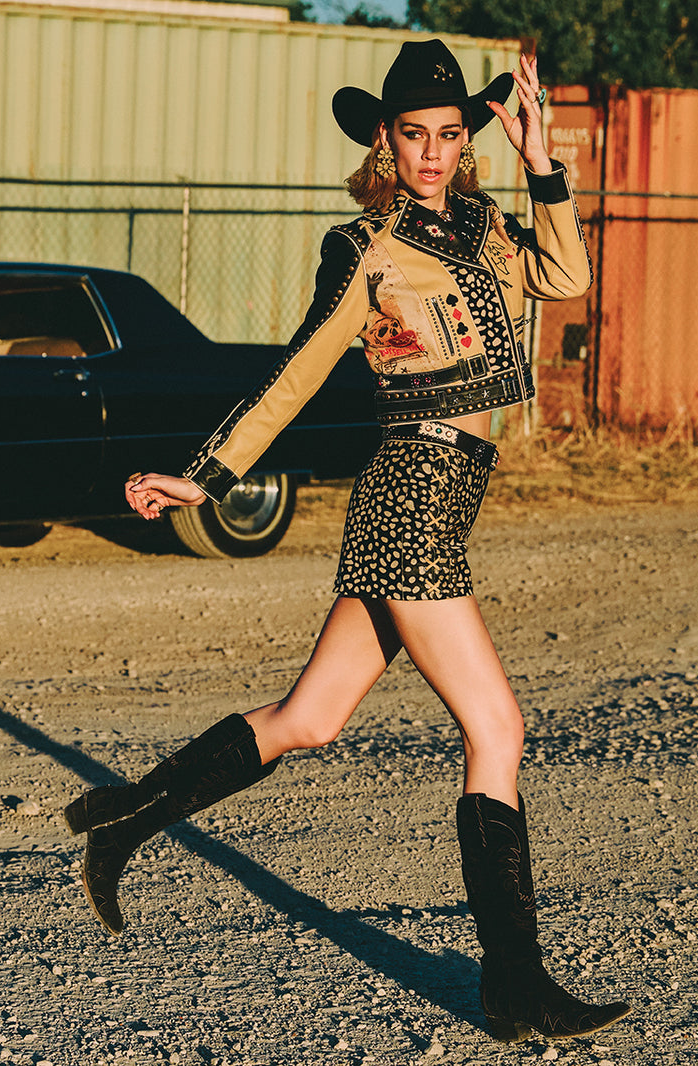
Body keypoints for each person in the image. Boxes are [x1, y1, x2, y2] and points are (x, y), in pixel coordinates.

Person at [65, 40, 631, 1042]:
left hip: (447, 495)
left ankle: (121, 826)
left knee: (306, 719)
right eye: (414, 135)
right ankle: (515, 984)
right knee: (497, 729)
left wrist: (544, 160)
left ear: (466, 142)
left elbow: (569, 274)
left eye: (450, 135)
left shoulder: (489, 231)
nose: (432, 152)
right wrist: (205, 476)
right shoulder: (363, 247)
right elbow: (293, 373)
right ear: (385, 138)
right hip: (408, 493)